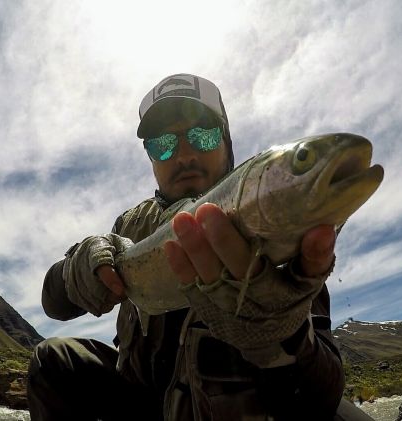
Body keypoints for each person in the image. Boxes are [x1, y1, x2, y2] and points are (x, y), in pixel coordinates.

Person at [27, 73, 346, 421]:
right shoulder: (130, 226)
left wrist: (281, 333)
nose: (183, 155)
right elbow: (53, 303)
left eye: (202, 135)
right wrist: (79, 269)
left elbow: (320, 398)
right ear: (150, 157)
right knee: (54, 359)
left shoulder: (271, 223)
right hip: (142, 403)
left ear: (225, 141)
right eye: (162, 143)